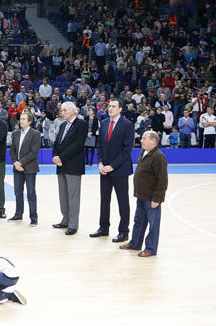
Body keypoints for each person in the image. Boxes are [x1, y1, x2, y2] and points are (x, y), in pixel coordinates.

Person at [120, 131, 168, 257]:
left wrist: (157, 199)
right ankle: (135, 243)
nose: (141, 140)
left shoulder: (158, 157)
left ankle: (151, 249)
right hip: (141, 195)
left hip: (152, 198)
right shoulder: (144, 152)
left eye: (144, 138)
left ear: (153, 141)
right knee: (139, 221)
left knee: (153, 225)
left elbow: (162, 180)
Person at [92, 99, 134, 242]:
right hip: (104, 169)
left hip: (120, 170)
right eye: (109, 106)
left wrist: (113, 166)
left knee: (122, 202)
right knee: (104, 200)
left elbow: (127, 150)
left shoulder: (127, 125)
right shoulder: (103, 123)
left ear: (120, 109)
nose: (110, 108)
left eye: (114, 106)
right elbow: (100, 146)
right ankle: (103, 228)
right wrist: (100, 162)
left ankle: (124, 231)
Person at [52, 102, 88, 236]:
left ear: (74, 111)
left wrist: (61, 157)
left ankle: (73, 224)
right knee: (63, 195)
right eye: (61, 110)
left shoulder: (81, 124)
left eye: (65, 110)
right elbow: (56, 143)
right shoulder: (62, 125)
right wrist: (55, 155)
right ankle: (65, 219)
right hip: (61, 165)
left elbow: (78, 145)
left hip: (73, 165)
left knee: (73, 197)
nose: (62, 112)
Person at [9, 112, 41, 226]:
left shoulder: (36, 134)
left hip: (30, 168)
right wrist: (15, 163)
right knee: (17, 192)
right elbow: (12, 150)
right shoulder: (15, 133)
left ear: (29, 122)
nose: (20, 120)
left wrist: (21, 163)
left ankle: (33, 218)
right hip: (17, 168)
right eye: (20, 119)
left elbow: (34, 152)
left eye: (23, 119)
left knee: (31, 193)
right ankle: (18, 214)